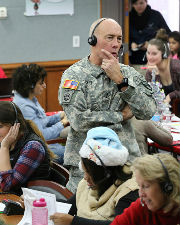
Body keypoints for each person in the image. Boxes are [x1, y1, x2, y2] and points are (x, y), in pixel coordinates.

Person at [58, 18, 156, 193]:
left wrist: (121, 81)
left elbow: (148, 111)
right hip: (87, 166)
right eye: (110, 37)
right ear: (92, 41)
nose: (115, 44)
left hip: (125, 164)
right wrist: (120, 116)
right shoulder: (74, 75)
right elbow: (79, 120)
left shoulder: (127, 74)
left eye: (119, 39)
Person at [50, 127, 139, 225]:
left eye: (89, 172)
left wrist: (74, 222)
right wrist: (46, 202)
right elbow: (69, 207)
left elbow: (120, 224)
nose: (85, 177)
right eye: (84, 171)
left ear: (105, 172)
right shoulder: (88, 183)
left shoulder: (129, 191)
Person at [0, 101, 55, 194]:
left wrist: (4, 147)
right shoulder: (5, 141)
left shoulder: (33, 146)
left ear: (15, 125)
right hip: (14, 199)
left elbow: (7, 185)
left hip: (33, 204)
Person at [12, 64, 69, 164]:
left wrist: (59, 115)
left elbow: (42, 122)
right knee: (75, 153)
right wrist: (63, 123)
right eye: (41, 83)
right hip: (37, 148)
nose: (44, 85)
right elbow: (42, 135)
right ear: (30, 85)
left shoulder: (29, 98)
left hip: (41, 144)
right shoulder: (24, 106)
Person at [111, 153, 180, 225]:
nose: (140, 194)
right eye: (139, 186)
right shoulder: (142, 206)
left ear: (167, 187)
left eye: (146, 186)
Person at [129, 0, 170, 74]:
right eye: (135, 4)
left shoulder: (156, 15)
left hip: (154, 63)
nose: (139, 6)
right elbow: (123, 39)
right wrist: (130, 44)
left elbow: (168, 35)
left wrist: (153, 44)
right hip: (134, 62)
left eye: (141, 3)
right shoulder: (127, 17)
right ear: (132, 5)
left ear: (146, 2)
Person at [145, 29, 180, 107]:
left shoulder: (176, 66)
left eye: (154, 54)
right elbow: (148, 96)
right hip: (162, 114)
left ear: (163, 54)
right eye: (148, 53)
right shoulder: (150, 72)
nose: (150, 57)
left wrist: (170, 96)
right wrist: (155, 76)